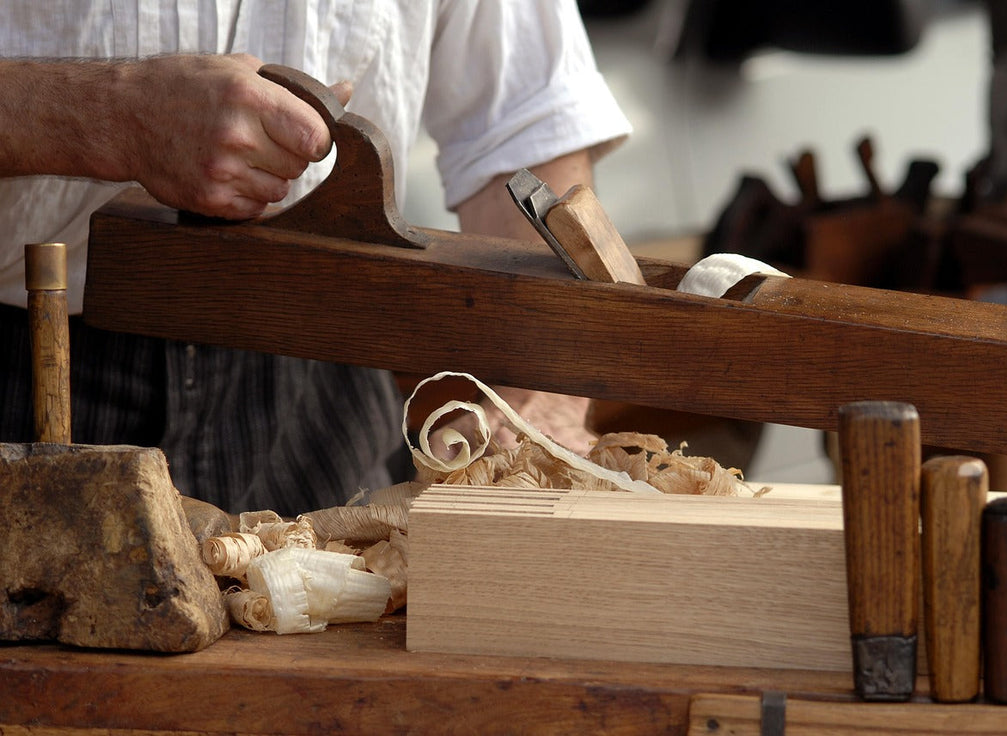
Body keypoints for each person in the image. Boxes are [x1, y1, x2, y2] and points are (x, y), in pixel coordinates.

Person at [0, 2, 631, 514]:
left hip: (324, 377)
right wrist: (109, 111)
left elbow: (523, 128)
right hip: (35, 364)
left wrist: (536, 384)